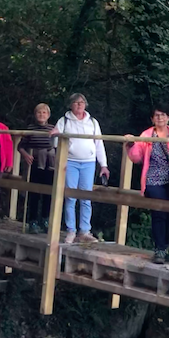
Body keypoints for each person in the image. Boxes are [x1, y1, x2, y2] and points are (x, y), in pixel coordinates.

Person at [127, 105, 169, 264]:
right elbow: (136, 157)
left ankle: (164, 248)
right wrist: (131, 144)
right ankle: (159, 249)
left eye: (163, 115)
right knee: (159, 212)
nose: (160, 118)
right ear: (152, 119)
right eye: (156, 115)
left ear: (168, 117)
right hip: (153, 180)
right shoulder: (147, 135)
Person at [51, 93, 109, 244]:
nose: (79, 105)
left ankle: (85, 231)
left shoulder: (93, 122)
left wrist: (103, 165)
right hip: (70, 162)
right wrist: (56, 136)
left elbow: (99, 144)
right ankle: (71, 230)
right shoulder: (64, 121)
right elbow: (55, 142)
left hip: (89, 162)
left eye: (82, 102)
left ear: (85, 104)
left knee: (86, 197)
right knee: (70, 196)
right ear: (71, 105)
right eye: (76, 102)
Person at [19, 103, 55, 226]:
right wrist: (26, 155)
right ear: (35, 114)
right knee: (34, 193)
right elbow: (20, 146)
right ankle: (32, 221)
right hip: (34, 163)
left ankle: (45, 219)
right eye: (39, 112)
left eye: (44, 112)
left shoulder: (53, 129)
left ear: (48, 115)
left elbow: (58, 145)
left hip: (49, 165)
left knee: (48, 193)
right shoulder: (30, 128)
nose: (41, 115)